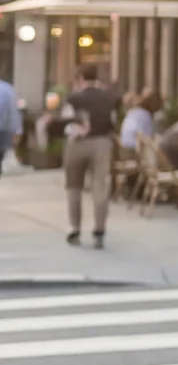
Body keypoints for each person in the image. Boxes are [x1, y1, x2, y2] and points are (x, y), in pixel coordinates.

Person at [59, 66, 122, 247]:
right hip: (102, 143)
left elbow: (67, 121)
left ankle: (75, 228)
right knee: (100, 187)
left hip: (77, 143)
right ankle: (99, 231)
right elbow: (113, 121)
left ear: (80, 78)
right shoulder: (109, 98)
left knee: (74, 187)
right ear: (96, 77)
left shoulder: (73, 98)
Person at [0, 73, 19, 173]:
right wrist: (16, 130)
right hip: (4, 130)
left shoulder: (7, 89)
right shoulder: (8, 89)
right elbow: (13, 112)